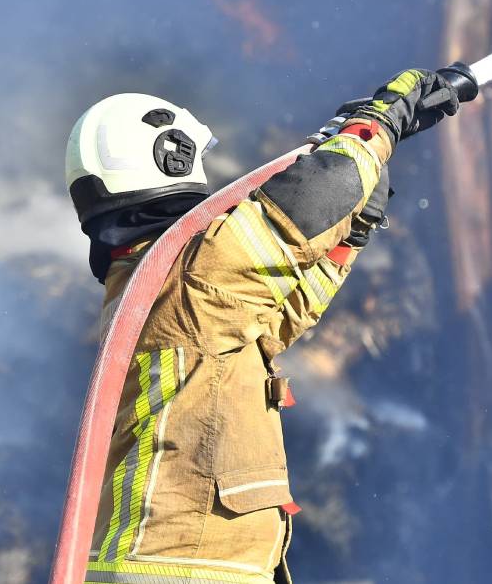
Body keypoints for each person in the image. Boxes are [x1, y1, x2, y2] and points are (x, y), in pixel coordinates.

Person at [64, 68, 468, 583]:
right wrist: (377, 124)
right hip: (182, 567)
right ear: (171, 158)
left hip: (184, 564)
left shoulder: (162, 284)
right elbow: (307, 201)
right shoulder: (191, 273)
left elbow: (277, 320)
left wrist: (350, 236)